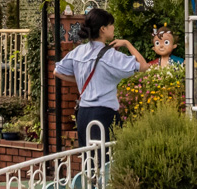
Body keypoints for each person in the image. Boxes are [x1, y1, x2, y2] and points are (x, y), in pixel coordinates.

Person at [53, 9, 144, 147]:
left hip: (83, 113)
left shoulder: (78, 51)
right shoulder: (111, 55)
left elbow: (57, 71)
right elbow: (143, 66)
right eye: (111, 24)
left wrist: (78, 79)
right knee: (107, 160)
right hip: (104, 113)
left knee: (88, 160)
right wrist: (126, 43)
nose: (113, 27)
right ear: (103, 29)